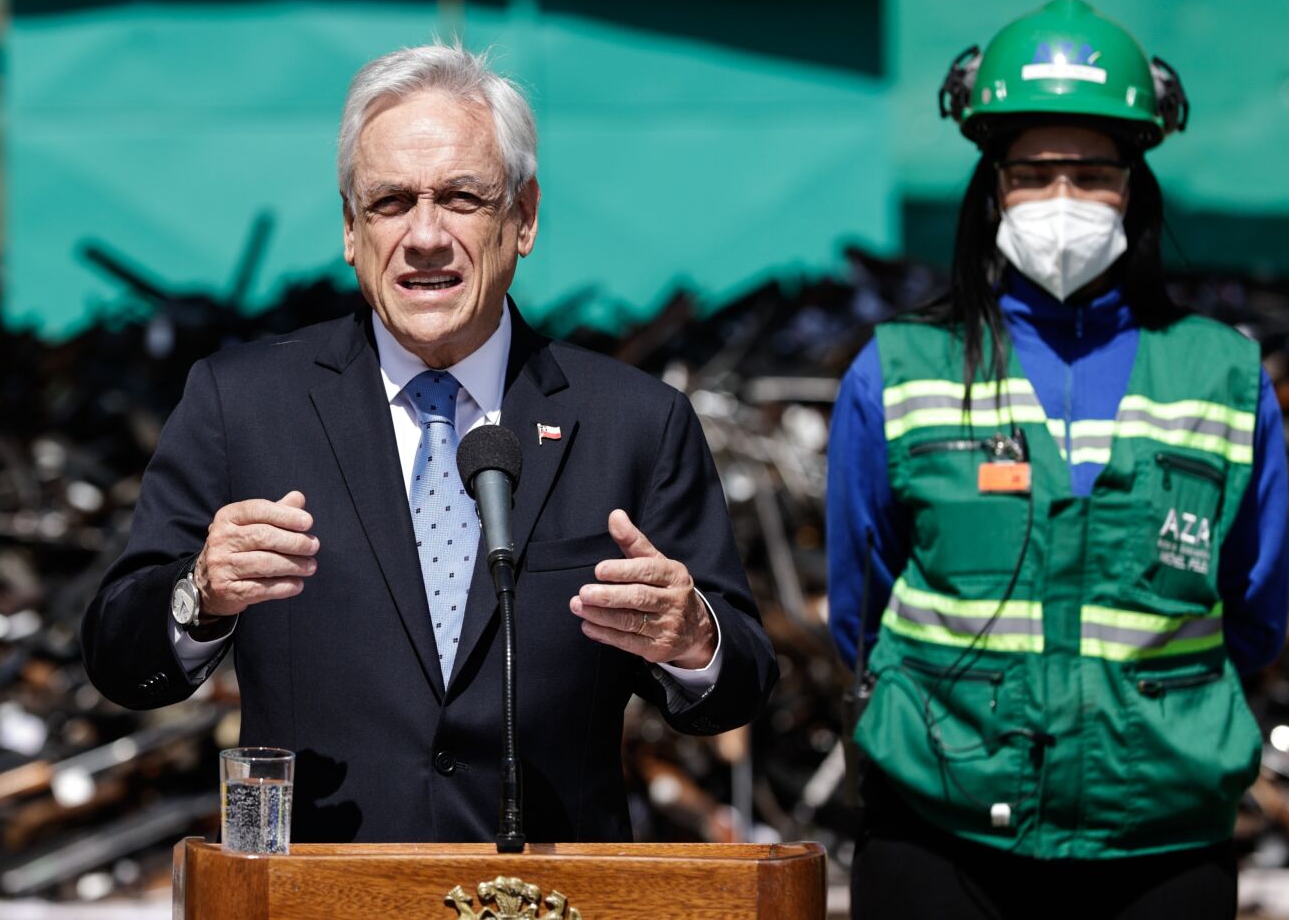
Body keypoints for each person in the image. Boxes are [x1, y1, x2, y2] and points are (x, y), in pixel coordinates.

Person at [83, 44, 776, 843]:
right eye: (389, 202)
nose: (424, 236)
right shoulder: (240, 405)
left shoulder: (635, 422)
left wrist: (693, 638)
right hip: (318, 887)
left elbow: (743, 682)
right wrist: (200, 593)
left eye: (460, 198)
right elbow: (118, 657)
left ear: (523, 217)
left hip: (545, 889)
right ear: (351, 229)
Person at [827, 0, 1289, 919]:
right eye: (1034, 173)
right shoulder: (899, 371)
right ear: (992, 188)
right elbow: (860, 609)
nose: (1063, 199)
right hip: (940, 830)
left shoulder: (1225, 374)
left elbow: (1254, 610)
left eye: (1093, 173)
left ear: (1135, 188)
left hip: (1158, 841)